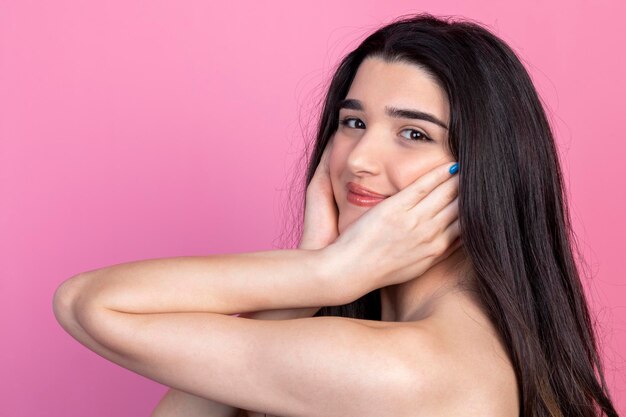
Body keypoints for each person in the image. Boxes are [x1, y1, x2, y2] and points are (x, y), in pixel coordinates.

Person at [51, 12, 619, 417]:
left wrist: (324, 274)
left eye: (414, 133)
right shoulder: (399, 343)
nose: (362, 159)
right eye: (353, 122)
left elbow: (88, 303)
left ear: (486, 172)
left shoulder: (417, 367)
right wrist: (307, 280)